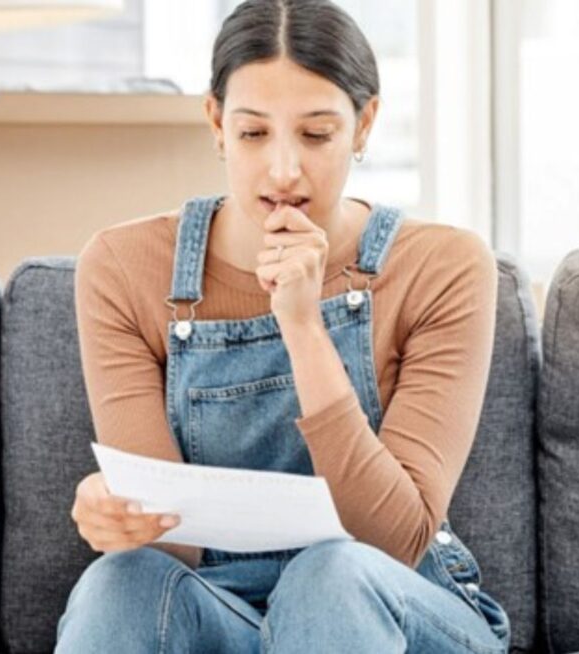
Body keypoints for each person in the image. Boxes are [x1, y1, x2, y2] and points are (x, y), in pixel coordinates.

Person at [56, 1, 510, 651]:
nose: (283, 171)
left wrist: (301, 324)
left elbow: (397, 539)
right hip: (223, 606)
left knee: (330, 575)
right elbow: (172, 547)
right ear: (216, 123)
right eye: (253, 134)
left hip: (391, 605)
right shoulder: (122, 267)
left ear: (365, 123)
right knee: (120, 581)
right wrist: (121, 513)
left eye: (317, 134)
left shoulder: (445, 265)